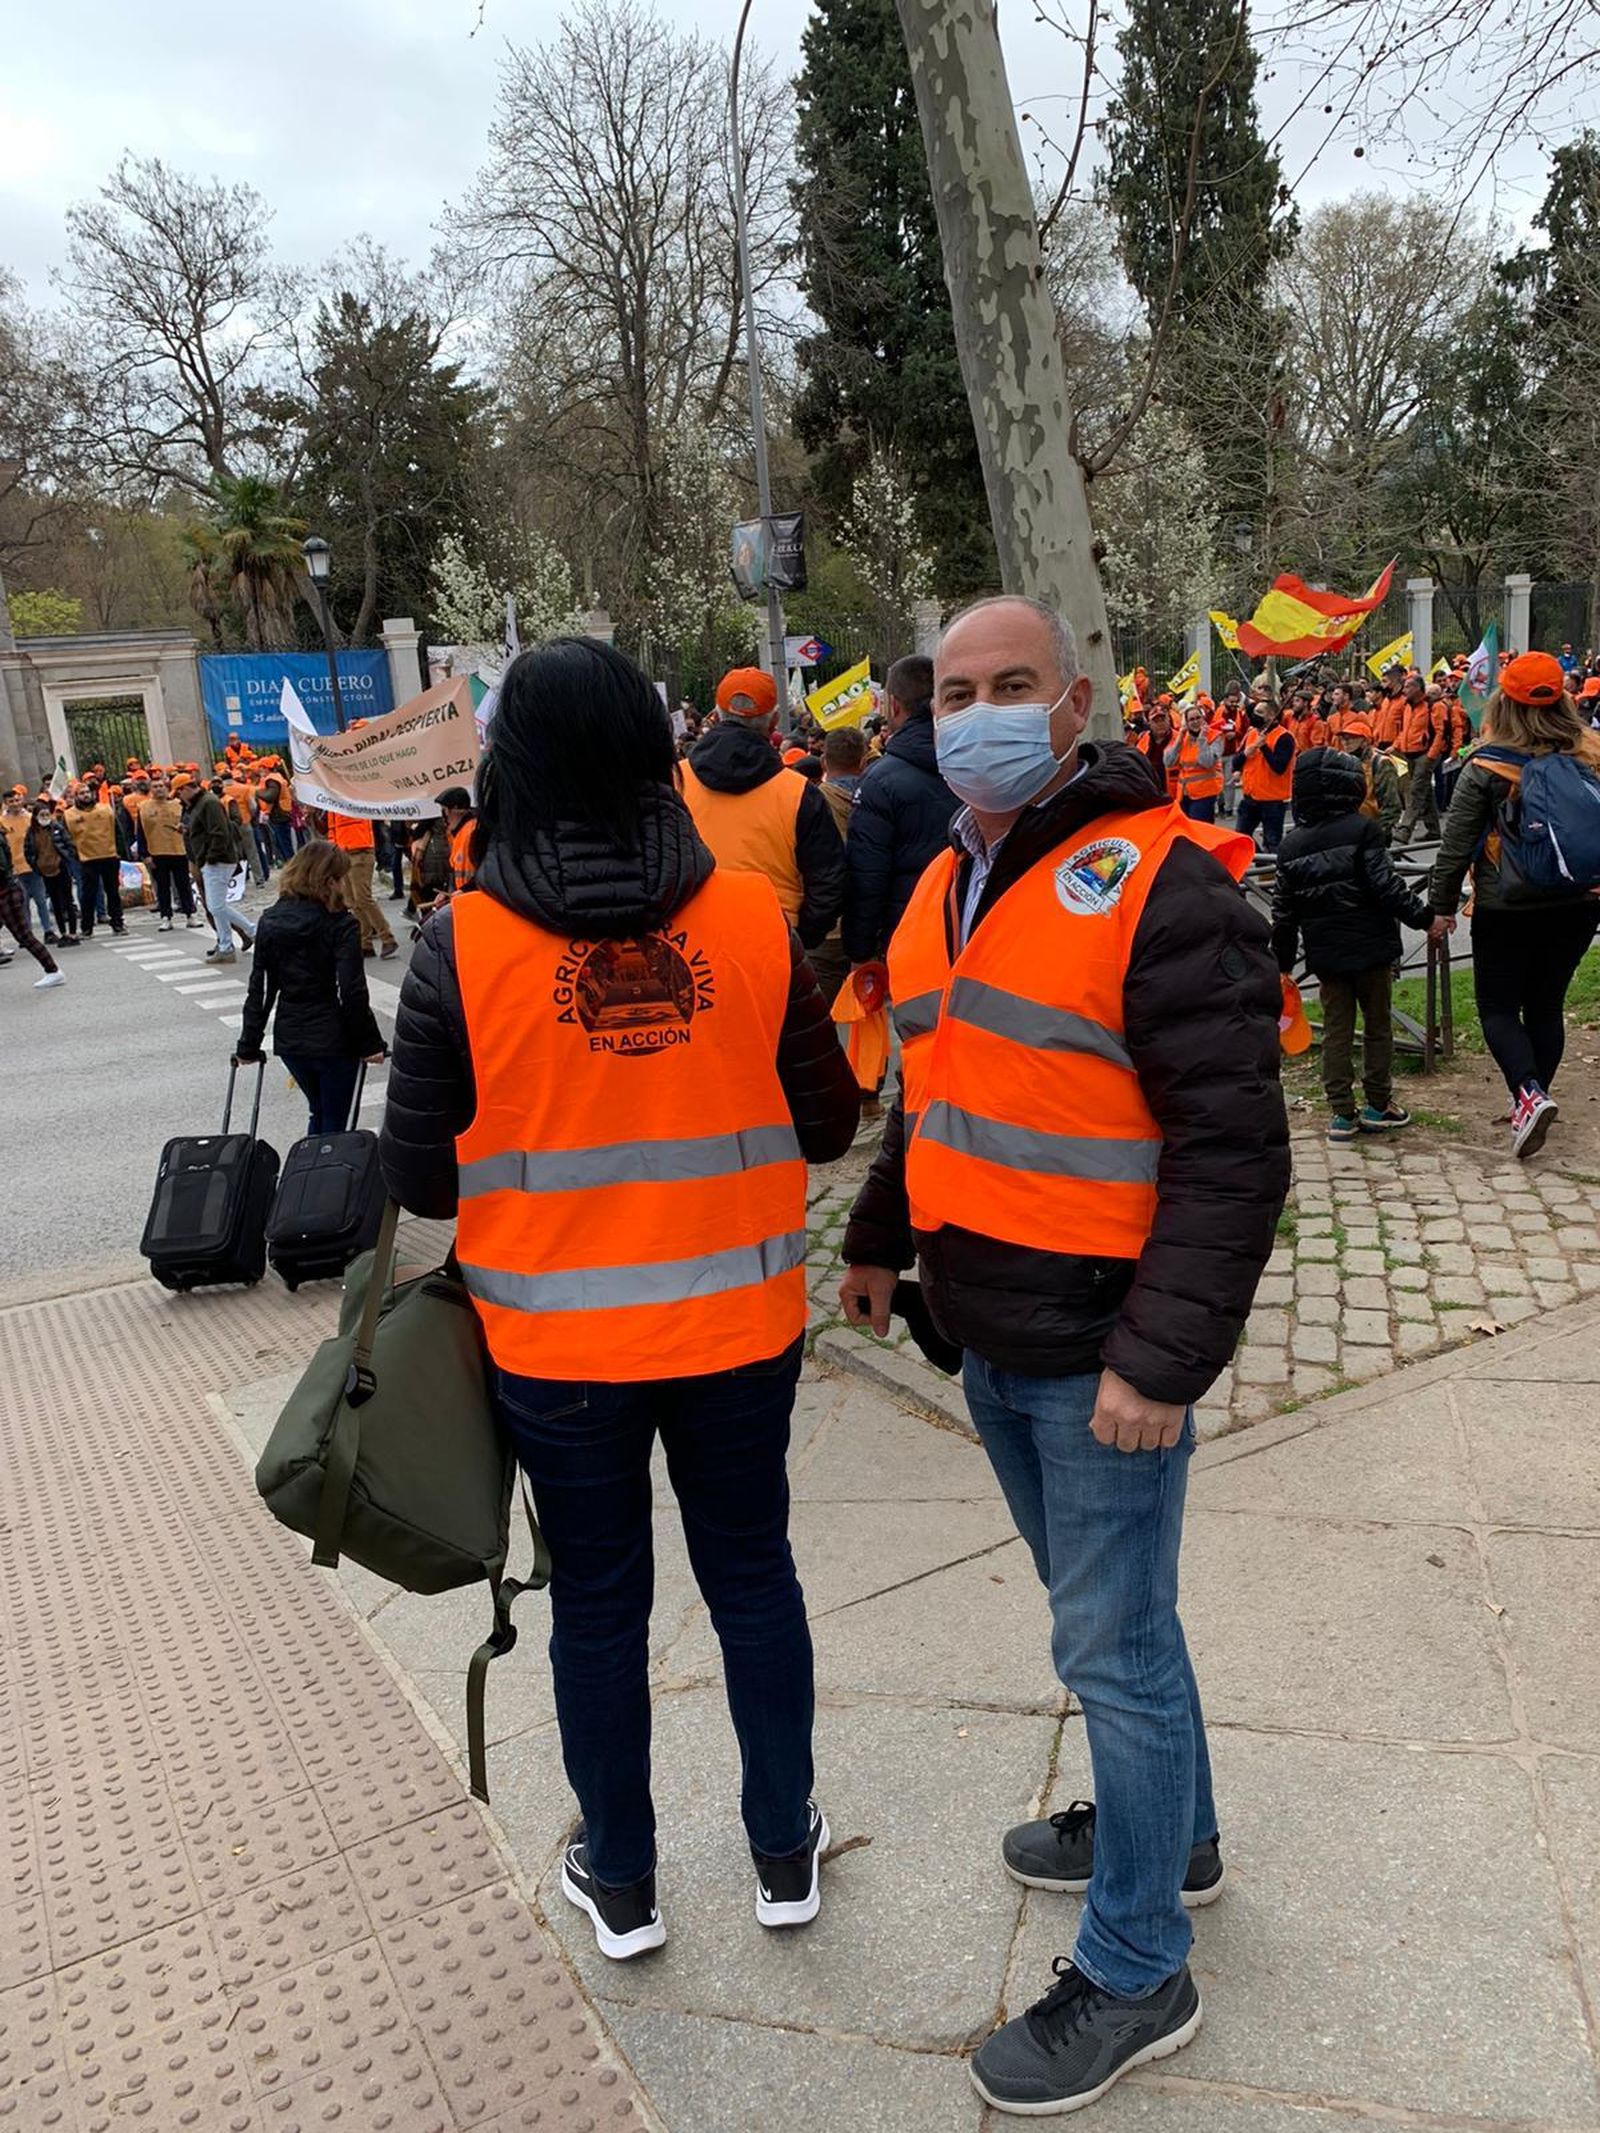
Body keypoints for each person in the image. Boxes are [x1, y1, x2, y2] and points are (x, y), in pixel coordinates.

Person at [839, 595, 1289, 2117]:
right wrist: (879, 1236)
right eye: (956, 690)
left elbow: (1234, 1152)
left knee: (1115, 1646)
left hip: (1104, 1354)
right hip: (992, 1333)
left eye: (1012, 685)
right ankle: (1181, 1838)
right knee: (1110, 1629)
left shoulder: (1167, 886)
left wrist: (1161, 1364)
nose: (980, 714)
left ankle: (1140, 1961)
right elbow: (937, 1087)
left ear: (1076, 701)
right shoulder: (944, 887)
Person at [379, 637, 859, 1964]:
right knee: (754, 1576)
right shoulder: (751, 926)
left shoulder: (458, 946)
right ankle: (782, 1853)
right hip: (740, 1331)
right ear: (660, 760)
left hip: (556, 1352)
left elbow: (417, 1170)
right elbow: (829, 1125)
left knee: (598, 1601)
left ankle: (627, 1879)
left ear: (511, 764)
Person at [1430, 650, 1600, 1157]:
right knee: (1546, 1004)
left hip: (1507, 904)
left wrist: (1440, 907)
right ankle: (1534, 1096)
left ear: (1504, 701)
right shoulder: (1590, 754)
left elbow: (1455, 845)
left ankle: (1528, 1094)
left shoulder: (1484, 767)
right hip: (1580, 899)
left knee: (1499, 1007)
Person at [1272, 747, 1447, 1144]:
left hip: (1326, 954)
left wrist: (1281, 964)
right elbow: (1388, 888)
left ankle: (1340, 1113)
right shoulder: (1362, 829)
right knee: (1377, 1026)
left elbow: (1283, 915)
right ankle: (1378, 1103)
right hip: (1371, 947)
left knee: (1336, 1031)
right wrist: (1425, 918)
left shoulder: (1290, 846)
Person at [679, 666, 846, 954]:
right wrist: (799, 939)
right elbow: (829, 882)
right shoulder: (798, 792)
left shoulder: (676, 781)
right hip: (776, 943)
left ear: (715, 717)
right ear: (775, 722)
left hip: (693, 947)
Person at [234, 840, 386, 1134]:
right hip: (334, 1039)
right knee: (334, 1121)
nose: (345, 885)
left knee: (319, 1112)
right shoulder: (341, 925)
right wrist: (370, 1044)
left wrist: (248, 1045)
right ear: (329, 881)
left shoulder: (270, 920)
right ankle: (327, 1177)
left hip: (292, 1039)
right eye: (342, 878)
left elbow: (261, 988)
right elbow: (352, 991)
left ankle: (311, 1175)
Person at [841, 653, 960, 969]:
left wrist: (860, 951)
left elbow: (867, 876)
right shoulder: (978, 763)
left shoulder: (880, 781)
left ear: (893, 705)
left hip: (908, 940)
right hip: (977, 930)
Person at [182, 775, 254, 963]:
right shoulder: (204, 803)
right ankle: (231, 942)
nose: (179, 797)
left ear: (186, 789)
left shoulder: (208, 803)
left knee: (216, 906)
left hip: (218, 860)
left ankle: (242, 937)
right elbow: (210, 831)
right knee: (217, 906)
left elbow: (219, 832)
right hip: (215, 859)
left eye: (179, 792)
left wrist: (210, 857)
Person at [324, 805, 398, 958]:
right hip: (344, 852)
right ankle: (365, 944)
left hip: (360, 849)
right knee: (351, 901)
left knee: (362, 898)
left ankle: (387, 937)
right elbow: (331, 828)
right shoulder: (331, 801)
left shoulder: (350, 794)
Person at [137, 773, 203, 931]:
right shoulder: (144, 808)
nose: (159, 789)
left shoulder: (179, 805)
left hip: (179, 851)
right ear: (151, 790)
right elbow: (140, 832)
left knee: (184, 885)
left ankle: (190, 914)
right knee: (162, 887)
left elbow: (189, 826)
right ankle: (166, 917)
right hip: (156, 852)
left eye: (161, 786)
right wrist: (144, 854)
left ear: (167, 788)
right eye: (155, 787)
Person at [0, 826, 65, 987]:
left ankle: (53, 971)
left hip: (6, 892)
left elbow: (1, 869)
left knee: (24, 936)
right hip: (7, 888)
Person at [64, 779, 126, 937]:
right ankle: (87, 927)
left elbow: (117, 832)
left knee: (112, 892)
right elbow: (67, 839)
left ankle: (117, 923)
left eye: (87, 792)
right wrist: (75, 856)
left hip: (109, 856)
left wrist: (120, 851)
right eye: (81, 793)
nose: (85, 795)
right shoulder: (69, 815)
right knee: (88, 894)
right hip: (86, 859)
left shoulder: (106, 810)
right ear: (76, 796)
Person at [1330, 714, 1403, 844]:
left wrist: (1380, 833)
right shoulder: (1343, 761)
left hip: (1372, 830)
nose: (1345, 742)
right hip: (1349, 830)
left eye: (1351, 738)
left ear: (1365, 741)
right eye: (1343, 738)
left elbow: (1391, 805)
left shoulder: (1381, 762)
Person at [1237, 697, 1295, 851]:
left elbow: (1279, 767)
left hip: (1273, 801)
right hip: (1250, 797)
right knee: (1241, 835)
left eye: (1260, 712)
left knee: (1273, 841)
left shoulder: (1284, 737)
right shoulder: (1251, 734)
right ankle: (1261, 862)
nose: (1255, 715)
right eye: (1255, 711)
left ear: (1272, 716)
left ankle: (1274, 871)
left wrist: (1263, 748)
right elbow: (1236, 763)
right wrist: (1245, 754)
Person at [1394, 673, 1446, 844]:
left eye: (1408, 686)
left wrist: (1431, 755)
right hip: (1409, 753)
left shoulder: (1434, 707)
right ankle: (1433, 830)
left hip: (1425, 754)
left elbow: (1440, 732)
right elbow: (1403, 730)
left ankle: (1404, 830)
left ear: (1418, 688)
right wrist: (1398, 746)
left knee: (1416, 791)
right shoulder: (1407, 707)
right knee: (1425, 792)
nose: (1405, 690)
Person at [24, 801, 79, 946]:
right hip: (45, 871)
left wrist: (65, 858)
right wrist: (37, 866)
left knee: (68, 900)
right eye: (42, 815)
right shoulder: (31, 833)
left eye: (47, 814)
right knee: (55, 902)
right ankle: (63, 933)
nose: (45, 817)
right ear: (35, 816)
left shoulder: (57, 828)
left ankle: (73, 933)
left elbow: (69, 845)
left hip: (61, 868)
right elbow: (28, 852)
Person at [1167, 700, 1225, 822]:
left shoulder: (1215, 736)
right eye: (1191, 720)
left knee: (1200, 831)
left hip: (1205, 793)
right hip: (1184, 794)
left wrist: (1202, 739)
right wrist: (1179, 738)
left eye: (1198, 718)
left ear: (1203, 719)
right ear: (1186, 723)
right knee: (1187, 830)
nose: (1195, 722)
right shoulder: (1183, 737)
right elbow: (1169, 762)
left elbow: (1207, 762)